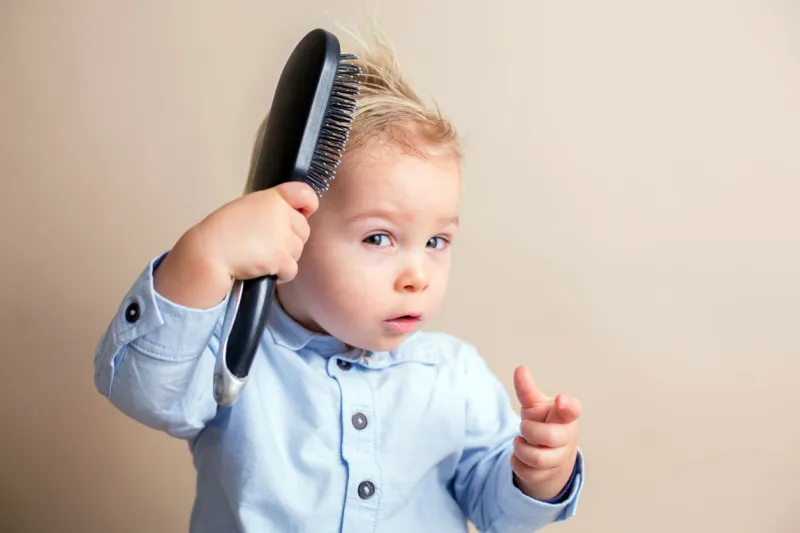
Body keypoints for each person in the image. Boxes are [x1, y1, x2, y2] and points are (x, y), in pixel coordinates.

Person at [93, 30, 584, 533]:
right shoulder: (234, 356)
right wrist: (204, 256)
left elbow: (497, 510)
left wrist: (537, 475)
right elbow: (145, 390)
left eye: (437, 242)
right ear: (289, 231)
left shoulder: (454, 377)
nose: (417, 276)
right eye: (378, 238)